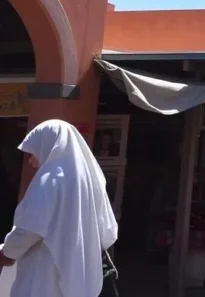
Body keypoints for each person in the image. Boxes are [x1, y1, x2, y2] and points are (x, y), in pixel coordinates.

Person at [0, 120, 118, 297]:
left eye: (32, 153)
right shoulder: (91, 180)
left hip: (46, 271)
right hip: (78, 269)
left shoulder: (50, 179)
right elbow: (108, 230)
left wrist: (7, 253)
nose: (31, 161)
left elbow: (30, 230)